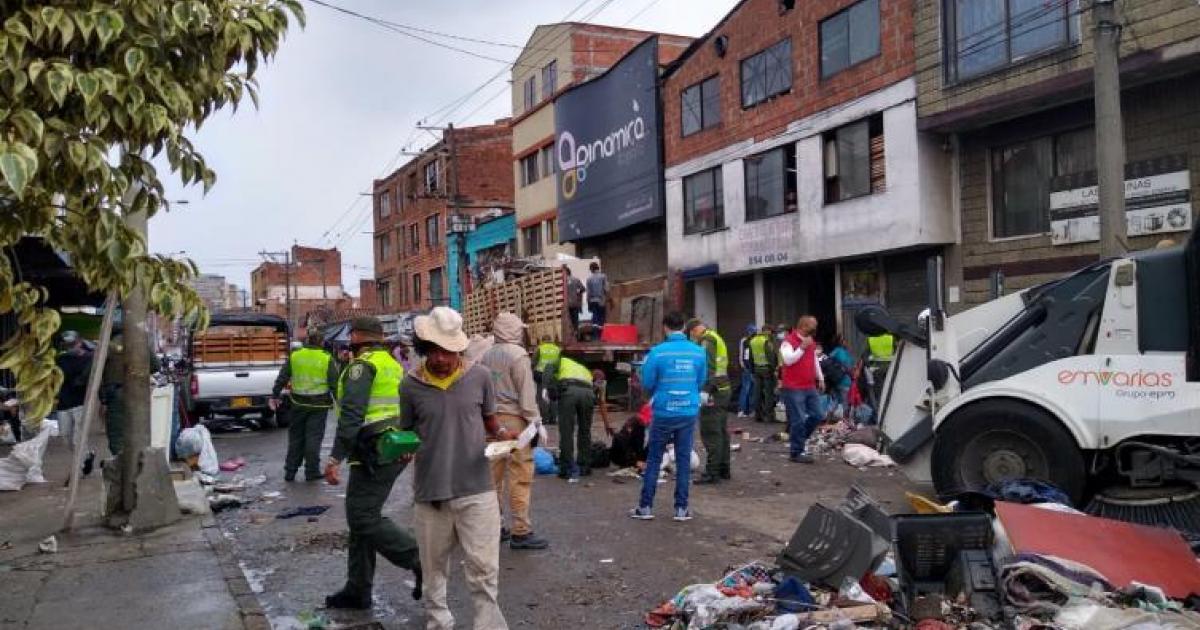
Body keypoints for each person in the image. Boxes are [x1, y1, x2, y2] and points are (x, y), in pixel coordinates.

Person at [402, 306, 510, 630]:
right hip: (431, 493)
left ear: (458, 349)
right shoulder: (409, 386)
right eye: (434, 351)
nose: (441, 359)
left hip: (477, 489)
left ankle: (487, 626)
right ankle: (438, 622)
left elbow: (491, 421)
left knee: (484, 569)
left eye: (448, 351)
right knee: (433, 568)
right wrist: (399, 450)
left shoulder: (479, 377)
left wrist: (507, 435)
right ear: (424, 349)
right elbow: (407, 433)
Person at [323, 317, 422, 610]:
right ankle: (358, 589)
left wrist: (334, 457)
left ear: (355, 336)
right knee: (360, 519)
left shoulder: (361, 367)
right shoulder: (390, 363)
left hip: (373, 450)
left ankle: (417, 559)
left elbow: (352, 415)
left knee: (363, 517)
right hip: (389, 446)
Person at [478, 312, 550, 551]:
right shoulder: (518, 355)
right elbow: (527, 395)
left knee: (492, 478)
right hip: (515, 424)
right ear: (514, 331)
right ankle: (521, 531)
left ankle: (495, 526)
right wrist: (536, 422)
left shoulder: (485, 355)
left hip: (491, 423)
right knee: (520, 475)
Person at [629, 311, 706, 522]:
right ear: (684, 327)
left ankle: (645, 507)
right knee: (683, 460)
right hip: (688, 410)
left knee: (654, 458)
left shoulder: (657, 352)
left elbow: (647, 383)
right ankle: (681, 509)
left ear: (665, 327)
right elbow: (700, 382)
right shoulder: (698, 352)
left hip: (663, 411)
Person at [271, 330, 338, 482]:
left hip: (298, 404)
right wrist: (340, 402)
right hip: (318, 406)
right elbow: (334, 384)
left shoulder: (295, 356)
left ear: (308, 341)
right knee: (313, 438)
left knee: (295, 438)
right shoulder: (326, 358)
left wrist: (275, 394)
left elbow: (283, 376)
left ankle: (290, 471)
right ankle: (311, 471)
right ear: (321, 343)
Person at [687, 320, 732, 485]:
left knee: (711, 432)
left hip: (714, 391)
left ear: (695, 330)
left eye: (692, 334)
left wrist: (706, 390)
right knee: (721, 432)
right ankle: (723, 469)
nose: (693, 337)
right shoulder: (716, 337)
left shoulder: (707, 340)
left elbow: (711, 368)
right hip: (723, 389)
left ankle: (712, 473)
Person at [779, 316, 825, 464]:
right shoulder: (788, 341)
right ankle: (796, 451)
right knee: (798, 420)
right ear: (804, 326)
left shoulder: (810, 341)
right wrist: (802, 347)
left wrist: (821, 377)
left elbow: (814, 360)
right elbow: (788, 360)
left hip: (809, 385)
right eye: (813, 326)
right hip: (793, 387)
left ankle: (798, 440)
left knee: (818, 415)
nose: (815, 329)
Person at [543, 353, 595, 482]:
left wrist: (548, 389)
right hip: (589, 393)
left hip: (570, 391)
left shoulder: (561, 361)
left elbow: (548, 371)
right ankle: (584, 466)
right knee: (585, 430)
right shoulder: (583, 368)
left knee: (567, 431)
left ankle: (566, 468)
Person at [55, 330, 93, 449]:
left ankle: (84, 461)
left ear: (79, 342)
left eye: (72, 344)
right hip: (63, 403)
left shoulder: (89, 359)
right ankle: (87, 456)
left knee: (78, 439)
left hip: (81, 402)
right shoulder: (60, 359)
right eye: (67, 345)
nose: (70, 347)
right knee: (64, 437)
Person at [747, 326, 777, 424]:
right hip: (767, 370)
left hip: (756, 369)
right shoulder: (766, 341)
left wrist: (751, 370)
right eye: (770, 332)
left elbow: (750, 358)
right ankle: (769, 416)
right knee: (768, 394)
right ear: (767, 331)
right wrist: (774, 369)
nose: (771, 334)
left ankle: (758, 415)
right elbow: (771, 357)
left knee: (757, 393)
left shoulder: (753, 341)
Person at [824, 333, 855, 416]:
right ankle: (846, 421)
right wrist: (853, 375)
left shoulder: (834, 352)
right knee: (846, 402)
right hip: (844, 380)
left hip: (835, 381)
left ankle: (827, 419)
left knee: (836, 400)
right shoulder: (841, 352)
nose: (846, 342)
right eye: (844, 340)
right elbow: (847, 365)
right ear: (840, 342)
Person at [532, 336, 561, 426]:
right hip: (553, 375)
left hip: (541, 374)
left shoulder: (540, 348)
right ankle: (553, 419)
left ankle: (544, 419)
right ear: (551, 341)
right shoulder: (557, 349)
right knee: (553, 397)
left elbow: (533, 362)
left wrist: (532, 371)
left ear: (543, 341)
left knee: (542, 396)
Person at [736, 324, 757, 419]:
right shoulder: (745, 341)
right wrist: (744, 366)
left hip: (750, 368)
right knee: (747, 389)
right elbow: (743, 355)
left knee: (750, 389)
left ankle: (748, 410)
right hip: (748, 368)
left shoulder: (746, 340)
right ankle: (743, 410)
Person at [585, 261, 610, 328]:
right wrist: (609, 299)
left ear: (591, 269)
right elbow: (607, 289)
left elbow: (588, 292)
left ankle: (595, 334)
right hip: (601, 301)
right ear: (597, 268)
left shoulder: (589, 279)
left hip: (592, 301)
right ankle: (601, 333)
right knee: (601, 317)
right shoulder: (603, 276)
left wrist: (588, 303)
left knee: (595, 316)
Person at [565, 265, 586, 336]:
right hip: (574, 302)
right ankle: (576, 332)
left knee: (568, 319)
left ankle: (569, 334)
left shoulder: (562, 281)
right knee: (575, 319)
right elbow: (583, 288)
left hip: (566, 304)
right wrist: (578, 292)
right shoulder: (576, 279)